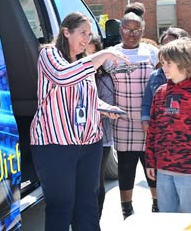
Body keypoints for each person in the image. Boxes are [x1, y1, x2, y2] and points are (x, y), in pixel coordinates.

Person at [30, 12, 128, 231]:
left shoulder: (83, 62)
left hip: (89, 145)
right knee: (61, 206)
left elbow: (87, 98)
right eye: (82, 32)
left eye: (90, 34)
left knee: (87, 206)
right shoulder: (50, 54)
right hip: (55, 145)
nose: (86, 38)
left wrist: (106, 108)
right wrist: (101, 55)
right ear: (66, 32)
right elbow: (63, 77)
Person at [142, 27, 191, 213]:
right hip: (163, 169)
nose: (164, 67)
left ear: (184, 64)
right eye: (162, 63)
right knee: (167, 218)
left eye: (168, 63)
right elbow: (153, 130)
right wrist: (150, 161)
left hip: (189, 171)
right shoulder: (160, 92)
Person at [102, 3, 160, 219]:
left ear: (143, 31)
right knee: (125, 169)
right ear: (121, 30)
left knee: (151, 166)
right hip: (123, 122)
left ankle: (157, 206)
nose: (132, 34)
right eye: (127, 29)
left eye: (137, 30)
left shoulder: (152, 53)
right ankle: (127, 210)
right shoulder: (110, 55)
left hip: (148, 121)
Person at [86, 34, 114, 219]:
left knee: (96, 181)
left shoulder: (103, 79)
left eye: (92, 54)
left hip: (101, 138)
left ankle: (96, 219)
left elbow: (108, 106)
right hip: (79, 138)